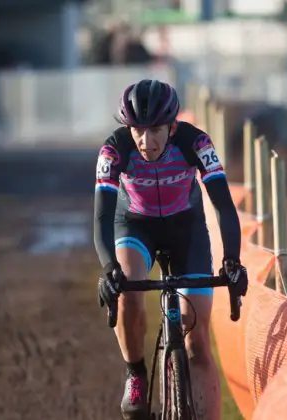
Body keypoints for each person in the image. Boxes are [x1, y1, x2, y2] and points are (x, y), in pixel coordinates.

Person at [94, 79, 249, 420]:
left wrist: (232, 261)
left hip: (186, 230)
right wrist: (109, 270)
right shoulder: (114, 149)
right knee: (130, 292)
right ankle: (135, 373)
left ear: (172, 126)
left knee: (196, 340)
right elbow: (103, 216)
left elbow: (223, 203)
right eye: (138, 131)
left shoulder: (195, 142)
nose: (146, 142)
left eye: (156, 131)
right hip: (135, 226)